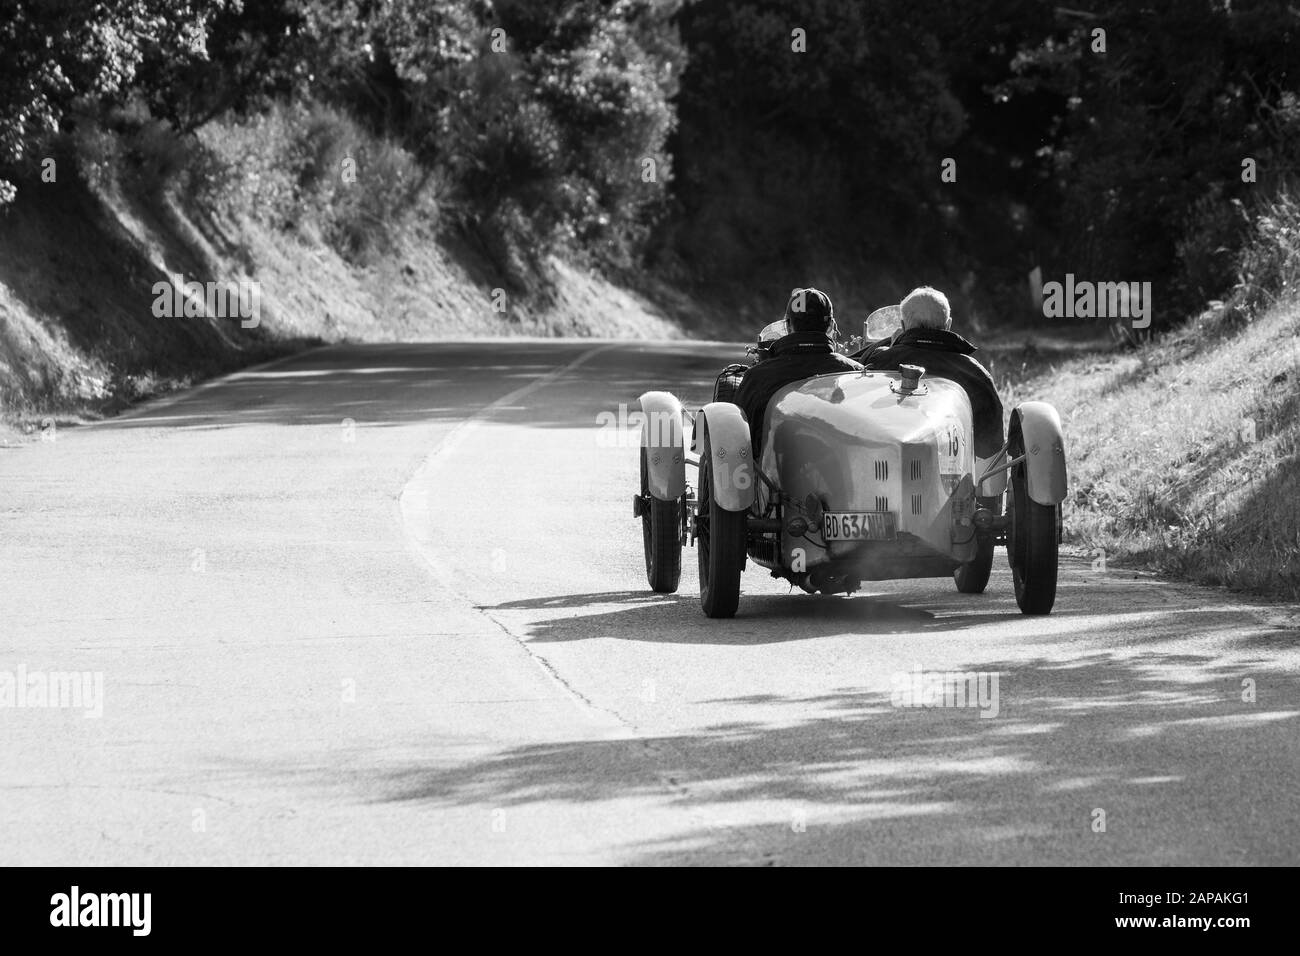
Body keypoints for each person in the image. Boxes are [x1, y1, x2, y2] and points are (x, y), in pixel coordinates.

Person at [859, 286, 1003, 459]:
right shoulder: (976, 375)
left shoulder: (878, 361)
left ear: (903, 326)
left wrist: (892, 349)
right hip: (960, 480)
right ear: (948, 325)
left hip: (887, 469)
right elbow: (992, 448)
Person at [732, 288, 863, 453]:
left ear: (787, 326)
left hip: (773, 475)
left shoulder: (756, 377)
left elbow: (738, 442)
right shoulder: (856, 373)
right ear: (830, 325)